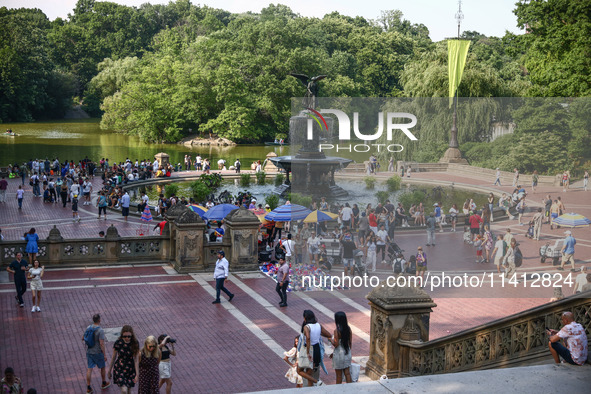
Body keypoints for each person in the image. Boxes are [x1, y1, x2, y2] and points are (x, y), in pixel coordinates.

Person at [296, 310, 331, 387]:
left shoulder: (306, 327)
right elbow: (328, 334)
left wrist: (308, 352)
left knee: (299, 370)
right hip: (317, 349)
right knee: (309, 373)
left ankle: (316, 381)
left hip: (311, 350)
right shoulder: (319, 325)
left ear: (305, 318)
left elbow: (308, 338)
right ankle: (312, 388)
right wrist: (318, 333)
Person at [108, 325, 139, 393]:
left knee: (129, 390)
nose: (127, 338)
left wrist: (137, 374)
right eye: (124, 336)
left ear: (132, 335)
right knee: (124, 390)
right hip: (120, 368)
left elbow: (136, 360)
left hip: (130, 369)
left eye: (128, 336)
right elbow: (113, 357)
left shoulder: (135, 343)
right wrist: (109, 370)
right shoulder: (118, 343)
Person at [84, 314, 110, 393]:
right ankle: (103, 383)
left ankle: (88, 387)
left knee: (89, 369)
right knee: (102, 367)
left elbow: (83, 338)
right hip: (98, 352)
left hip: (89, 352)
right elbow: (101, 343)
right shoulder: (100, 330)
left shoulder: (88, 327)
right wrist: (104, 354)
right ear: (99, 320)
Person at [331, 311, 353, 384]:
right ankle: (350, 389)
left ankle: (338, 391)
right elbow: (350, 343)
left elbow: (336, 344)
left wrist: (330, 340)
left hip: (339, 354)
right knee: (347, 373)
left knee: (339, 375)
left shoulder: (336, 331)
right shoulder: (349, 329)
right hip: (347, 352)